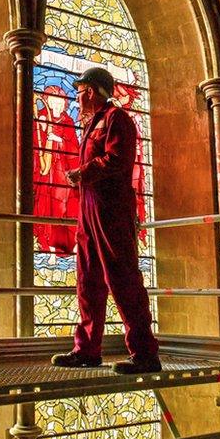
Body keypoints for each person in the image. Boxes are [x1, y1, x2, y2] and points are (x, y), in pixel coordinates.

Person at [51, 66, 161, 375]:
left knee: (122, 278)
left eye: (80, 91)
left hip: (111, 210)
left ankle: (144, 353)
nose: (76, 97)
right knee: (88, 279)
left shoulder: (117, 120)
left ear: (92, 91)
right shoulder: (93, 124)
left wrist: (82, 173)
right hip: (89, 210)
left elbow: (117, 160)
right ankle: (86, 349)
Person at [33, 85, 80, 265]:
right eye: (53, 101)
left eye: (60, 101)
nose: (57, 105)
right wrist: (43, 128)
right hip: (48, 173)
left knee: (65, 209)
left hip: (64, 174)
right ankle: (50, 250)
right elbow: (36, 141)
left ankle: (72, 248)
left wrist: (59, 140)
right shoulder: (43, 118)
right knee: (48, 209)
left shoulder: (67, 121)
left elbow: (74, 148)